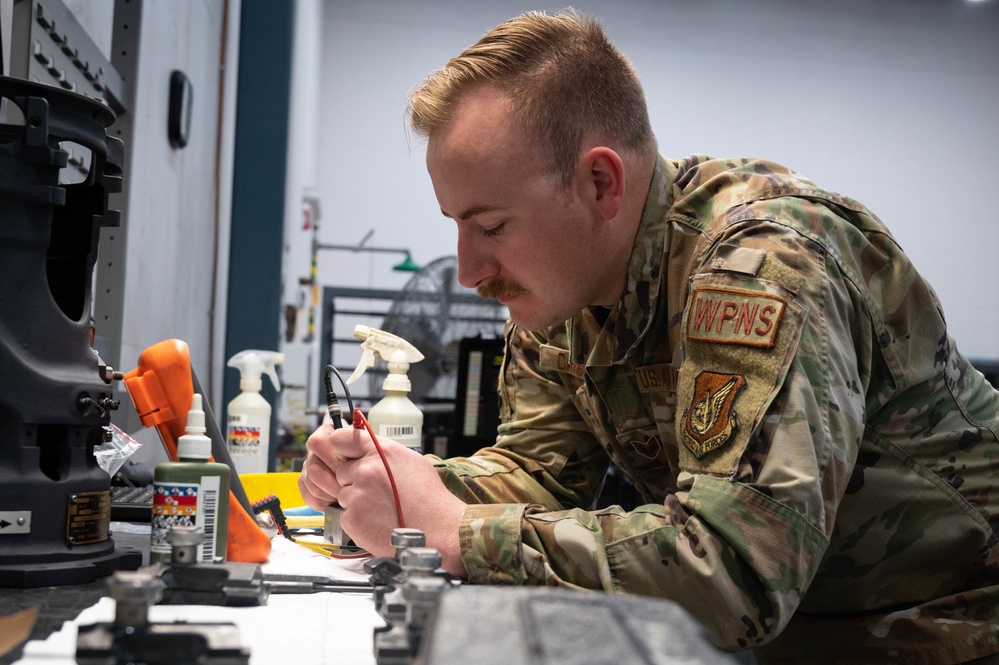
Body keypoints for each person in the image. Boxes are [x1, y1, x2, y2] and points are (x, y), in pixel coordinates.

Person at [298, 9, 999, 664]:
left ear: (600, 183)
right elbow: (539, 474)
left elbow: (735, 572)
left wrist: (457, 531)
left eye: (490, 227)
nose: (469, 268)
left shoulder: (762, 264)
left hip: (951, 632)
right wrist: (388, 482)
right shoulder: (563, 297)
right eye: (457, 224)